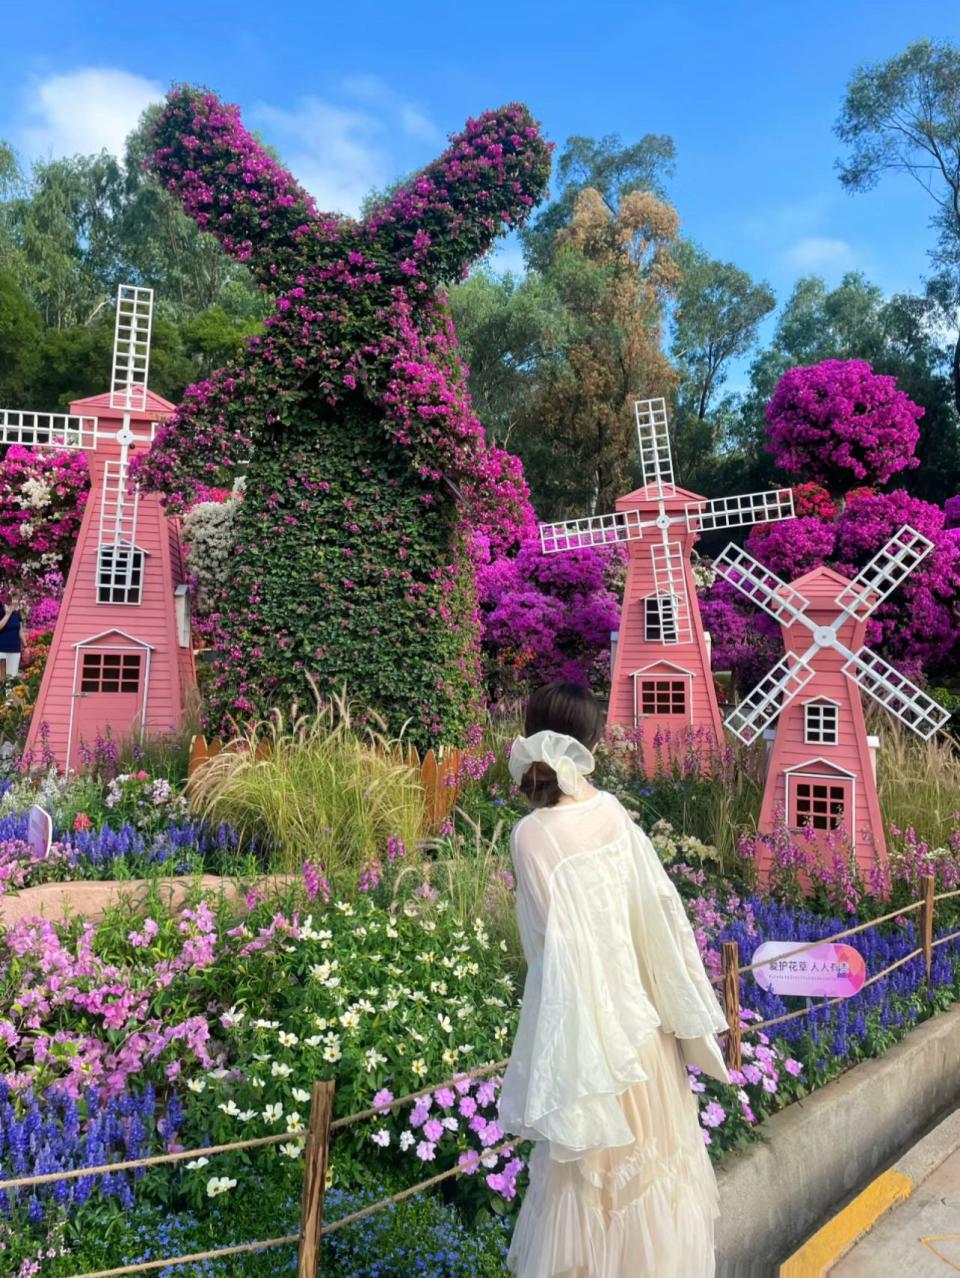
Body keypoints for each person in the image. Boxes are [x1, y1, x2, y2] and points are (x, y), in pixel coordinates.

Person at [498, 681, 731, 1278]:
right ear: (591, 742)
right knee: (656, 1192)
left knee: (585, 1212)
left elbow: (546, 955)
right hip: (645, 1046)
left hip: (590, 1057)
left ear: (532, 733)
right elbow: (662, 918)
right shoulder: (611, 814)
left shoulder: (530, 837)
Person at [0, 597, 22, 679]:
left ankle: (9, 692)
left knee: (12, 677)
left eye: (17, 599)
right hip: (2, 651)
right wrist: (7, 615)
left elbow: (20, 630)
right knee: (2, 677)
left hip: (15, 651)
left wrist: (26, 646)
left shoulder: (17, 613)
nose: (15, 601)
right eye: (13, 598)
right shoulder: (1, 611)